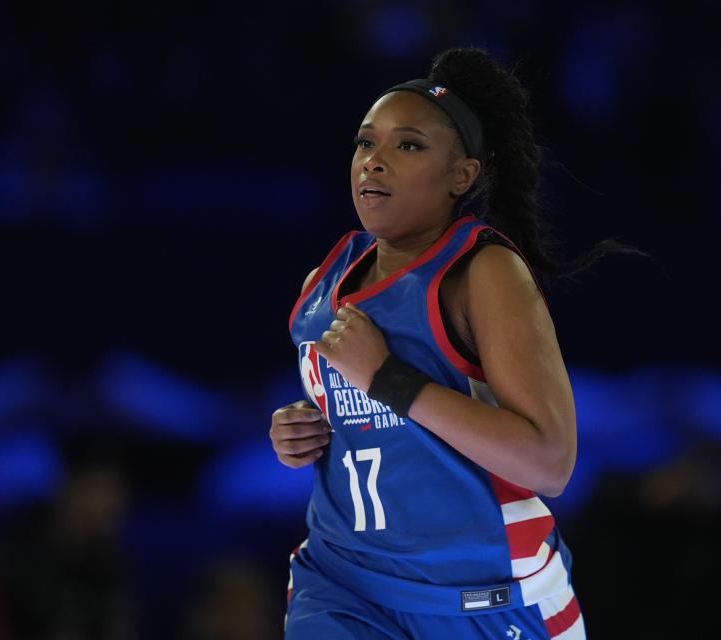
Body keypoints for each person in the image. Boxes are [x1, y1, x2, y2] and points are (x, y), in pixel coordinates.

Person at [271, 47, 638, 639]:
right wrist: (302, 428)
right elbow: (364, 416)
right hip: (344, 584)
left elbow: (549, 461)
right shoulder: (324, 280)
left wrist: (387, 378)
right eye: (366, 143)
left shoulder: (483, 272)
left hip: (486, 602)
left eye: (408, 145)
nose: (375, 162)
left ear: (461, 175)